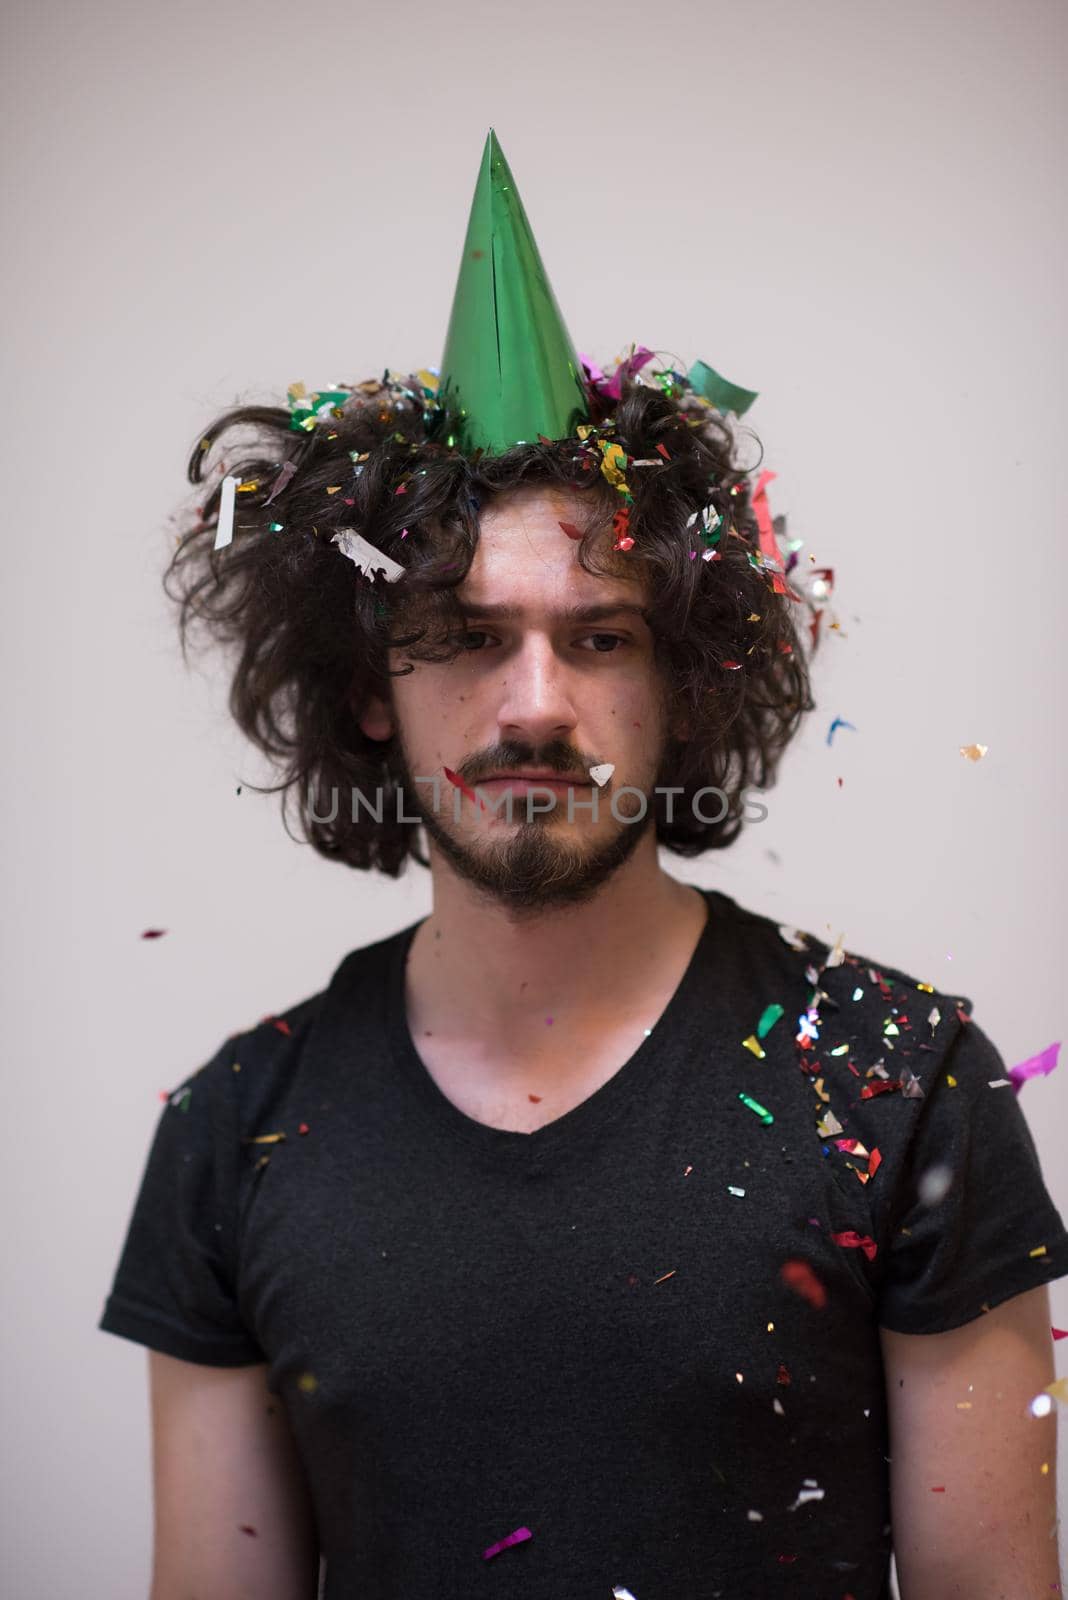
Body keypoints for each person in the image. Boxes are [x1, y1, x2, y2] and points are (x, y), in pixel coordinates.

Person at [98, 132, 1067, 1600]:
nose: (535, 702)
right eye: (469, 637)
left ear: (680, 681)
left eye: (598, 636)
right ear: (373, 689)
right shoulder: (235, 1132)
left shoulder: (901, 1081)